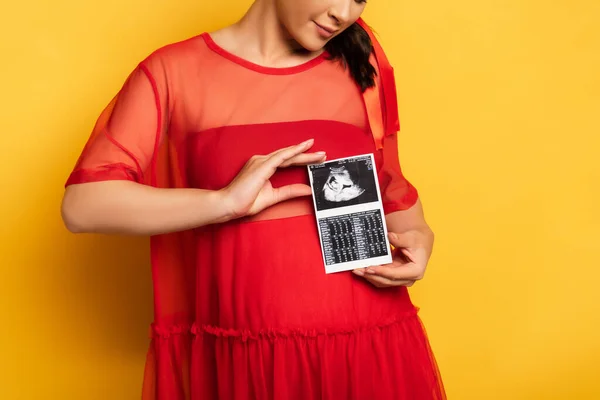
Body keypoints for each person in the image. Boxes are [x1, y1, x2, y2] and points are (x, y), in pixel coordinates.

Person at [61, 0, 446, 398]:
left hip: (370, 344)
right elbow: (83, 205)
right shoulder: (174, 71)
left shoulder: (359, 60)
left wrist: (417, 235)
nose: (344, 13)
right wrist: (223, 202)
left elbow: (388, 180)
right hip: (249, 357)